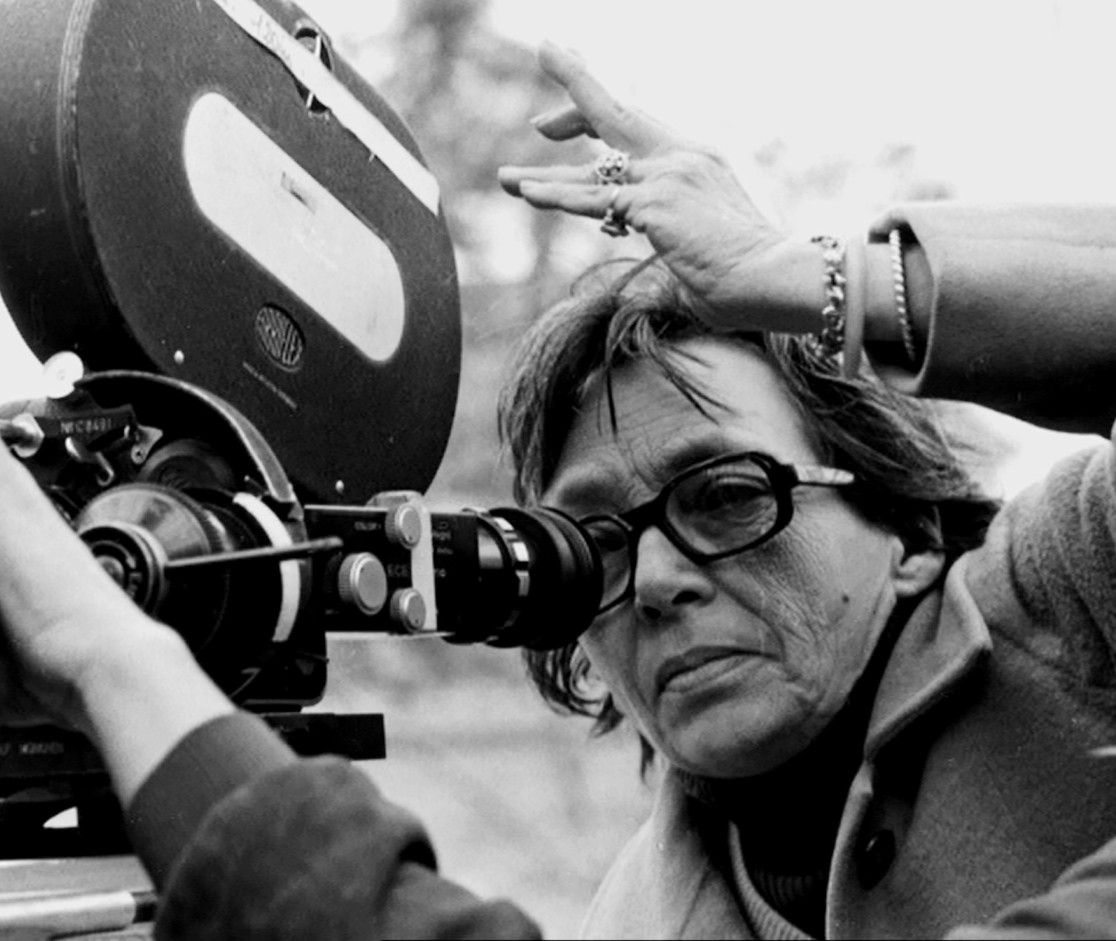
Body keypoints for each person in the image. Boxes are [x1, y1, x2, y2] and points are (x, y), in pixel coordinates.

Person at [3, 41, 1116, 941]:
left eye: (726, 495)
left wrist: (820, 281)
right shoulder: (637, 916)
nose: (661, 580)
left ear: (908, 526)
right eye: (594, 542)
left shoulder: (1069, 597)